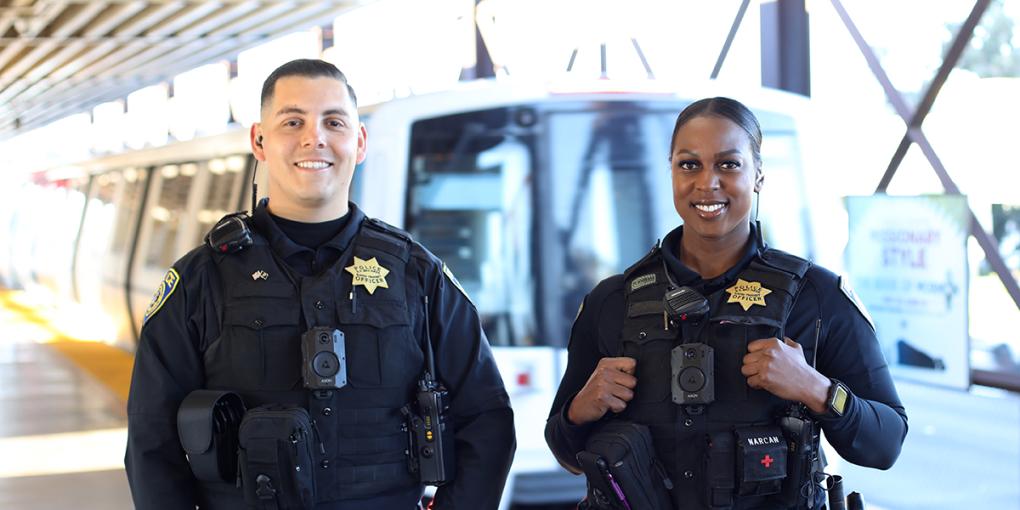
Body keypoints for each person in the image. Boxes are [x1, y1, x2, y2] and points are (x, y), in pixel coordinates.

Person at [126, 59, 516, 509]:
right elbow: (152, 441)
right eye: (293, 121)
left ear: (360, 140)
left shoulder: (418, 275)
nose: (315, 138)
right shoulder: (201, 281)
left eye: (334, 121)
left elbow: (486, 417)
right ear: (259, 140)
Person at [545, 97, 907, 509]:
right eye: (689, 164)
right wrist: (580, 409)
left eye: (728, 164)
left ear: (758, 176)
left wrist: (815, 387)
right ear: (672, 173)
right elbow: (563, 449)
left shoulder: (817, 298)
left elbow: (886, 443)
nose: (707, 183)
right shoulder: (612, 301)